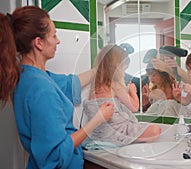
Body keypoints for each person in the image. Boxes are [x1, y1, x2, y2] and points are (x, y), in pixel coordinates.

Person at [0, 6, 114, 169]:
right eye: (53, 35)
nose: (57, 40)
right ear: (39, 43)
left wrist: (99, 69)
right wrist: (98, 119)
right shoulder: (41, 88)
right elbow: (55, 155)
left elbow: (70, 83)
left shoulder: (27, 76)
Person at [83, 44, 161, 145]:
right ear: (116, 67)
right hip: (116, 133)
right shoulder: (114, 85)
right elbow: (134, 107)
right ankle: (128, 140)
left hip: (99, 134)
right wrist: (133, 92)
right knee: (156, 130)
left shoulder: (93, 87)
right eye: (123, 69)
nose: (124, 73)